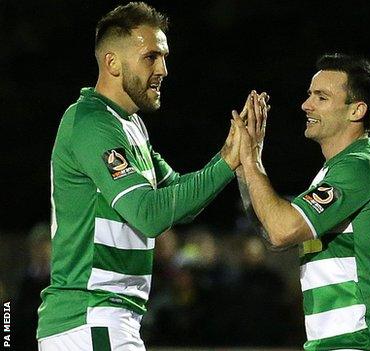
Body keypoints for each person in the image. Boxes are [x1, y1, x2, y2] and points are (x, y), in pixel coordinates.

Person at [36, 2, 245, 349]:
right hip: (90, 319)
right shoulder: (91, 123)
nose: (163, 68)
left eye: (163, 57)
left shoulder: (130, 125)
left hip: (106, 320)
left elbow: (178, 194)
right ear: (112, 63)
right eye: (151, 57)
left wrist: (229, 155)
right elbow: (149, 214)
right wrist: (227, 162)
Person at [233, 54, 370, 350]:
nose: (306, 105)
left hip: (362, 342)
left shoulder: (361, 166)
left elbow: (281, 229)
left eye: (321, 97)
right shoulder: (332, 172)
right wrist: (244, 167)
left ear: (357, 110)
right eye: (309, 95)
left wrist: (251, 161)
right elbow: (273, 236)